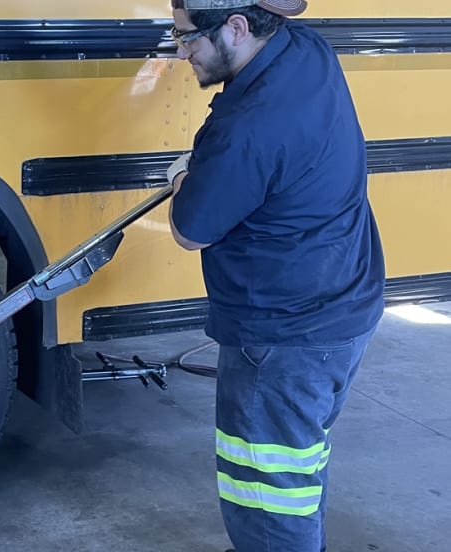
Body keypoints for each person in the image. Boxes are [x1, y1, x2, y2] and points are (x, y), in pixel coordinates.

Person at [164, 1, 385, 551]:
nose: (182, 52)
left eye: (187, 37)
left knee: (267, 497)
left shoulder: (251, 126)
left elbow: (191, 230)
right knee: (296, 468)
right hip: (344, 307)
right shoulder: (306, 50)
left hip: (283, 337)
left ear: (237, 27)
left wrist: (181, 179)